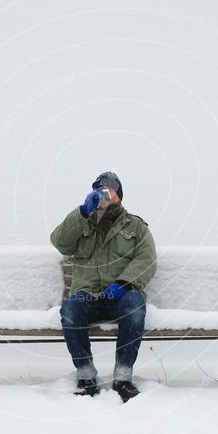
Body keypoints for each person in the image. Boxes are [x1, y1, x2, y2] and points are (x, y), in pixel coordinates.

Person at [50, 171, 157, 402]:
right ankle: (86, 376)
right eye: (100, 189)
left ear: (119, 195)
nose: (105, 194)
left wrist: (123, 284)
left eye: (110, 190)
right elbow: (60, 242)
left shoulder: (136, 227)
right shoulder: (82, 222)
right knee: (70, 309)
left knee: (135, 304)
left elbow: (147, 259)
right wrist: (81, 212)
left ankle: (123, 378)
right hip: (87, 296)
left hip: (121, 295)